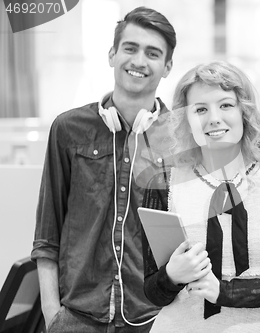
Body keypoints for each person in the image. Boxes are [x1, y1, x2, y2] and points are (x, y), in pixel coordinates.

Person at [141, 61, 260, 332]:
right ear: (186, 120)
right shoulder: (163, 181)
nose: (213, 118)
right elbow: (153, 292)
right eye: (200, 109)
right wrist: (171, 276)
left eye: (225, 105)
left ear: (244, 111)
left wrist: (224, 292)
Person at [31, 7, 176, 332]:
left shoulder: (181, 138)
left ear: (167, 67)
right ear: (112, 54)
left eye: (153, 53)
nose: (139, 61)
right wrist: (52, 312)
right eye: (130, 48)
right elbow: (47, 232)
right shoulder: (68, 129)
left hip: (153, 319)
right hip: (75, 319)